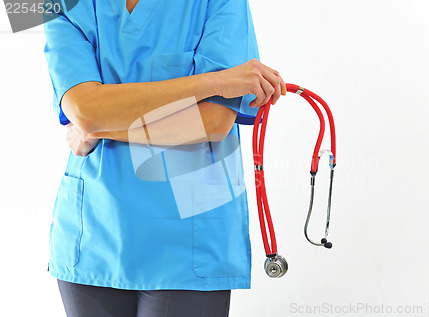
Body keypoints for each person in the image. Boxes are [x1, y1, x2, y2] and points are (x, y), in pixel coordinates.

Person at [42, 0, 286, 316]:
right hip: (93, 232)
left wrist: (101, 125)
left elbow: (212, 122)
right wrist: (210, 82)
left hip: (191, 237)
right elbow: (85, 111)